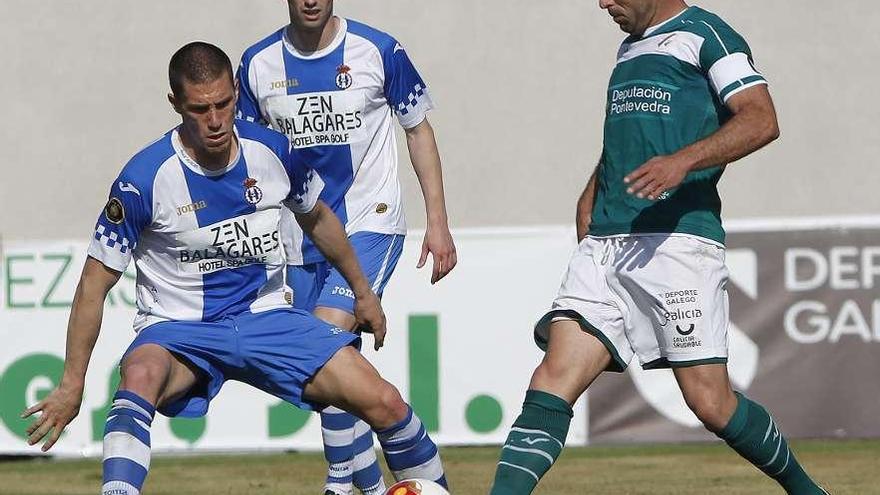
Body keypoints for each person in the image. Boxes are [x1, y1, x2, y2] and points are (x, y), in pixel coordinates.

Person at [21, 41, 446, 495]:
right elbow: (92, 285)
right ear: (176, 105)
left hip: (268, 319)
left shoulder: (274, 151)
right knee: (140, 372)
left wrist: (363, 292)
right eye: (200, 109)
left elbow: (319, 219)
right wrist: (71, 384)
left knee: (386, 403)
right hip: (181, 330)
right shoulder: (142, 180)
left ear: (235, 93)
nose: (216, 120)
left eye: (224, 103)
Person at [490, 2, 829, 494]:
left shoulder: (708, 34)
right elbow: (625, 139)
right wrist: (592, 190)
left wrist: (682, 162)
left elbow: (761, 119)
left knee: (711, 404)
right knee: (553, 375)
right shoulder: (629, 49)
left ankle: (806, 490)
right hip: (607, 243)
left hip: (676, 243)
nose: (604, 2)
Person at [236, 1, 456, 494]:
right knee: (339, 374)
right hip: (300, 236)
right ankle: (393, 487)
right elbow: (248, 157)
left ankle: (339, 484)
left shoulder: (379, 50)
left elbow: (418, 130)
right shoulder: (256, 63)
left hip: (369, 221)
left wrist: (437, 222)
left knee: (324, 340)